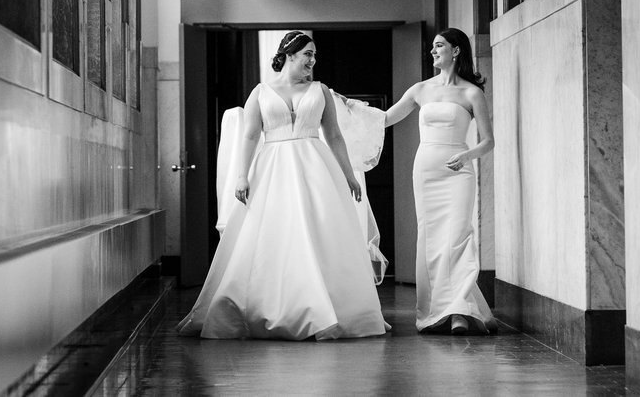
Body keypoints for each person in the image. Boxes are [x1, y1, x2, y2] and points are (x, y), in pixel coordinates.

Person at [177, 31, 390, 340]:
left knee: (319, 232)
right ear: (290, 55)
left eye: (315, 55)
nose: (313, 60)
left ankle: (331, 307)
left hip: (315, 167)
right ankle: (271, 304)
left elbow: (334, 135)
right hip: (273, 169)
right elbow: (250, 135)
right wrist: (241, 175)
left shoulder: (321, 91)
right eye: (308, 54)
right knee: (275, 234)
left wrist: (348, 174)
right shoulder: (261, 92)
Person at [384, 27, 496, 334]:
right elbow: (385, 119)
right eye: (433, 47)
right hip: (427, 171)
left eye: (439, 46)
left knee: (457, 238)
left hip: (458, 171)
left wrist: (466, 156)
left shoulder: (472, 93)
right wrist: (345, 108)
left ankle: (459, 311)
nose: (432, 51)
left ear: (456, 50)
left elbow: (488, 142)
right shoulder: (420, 89)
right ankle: (443, 309)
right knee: (433, 240)